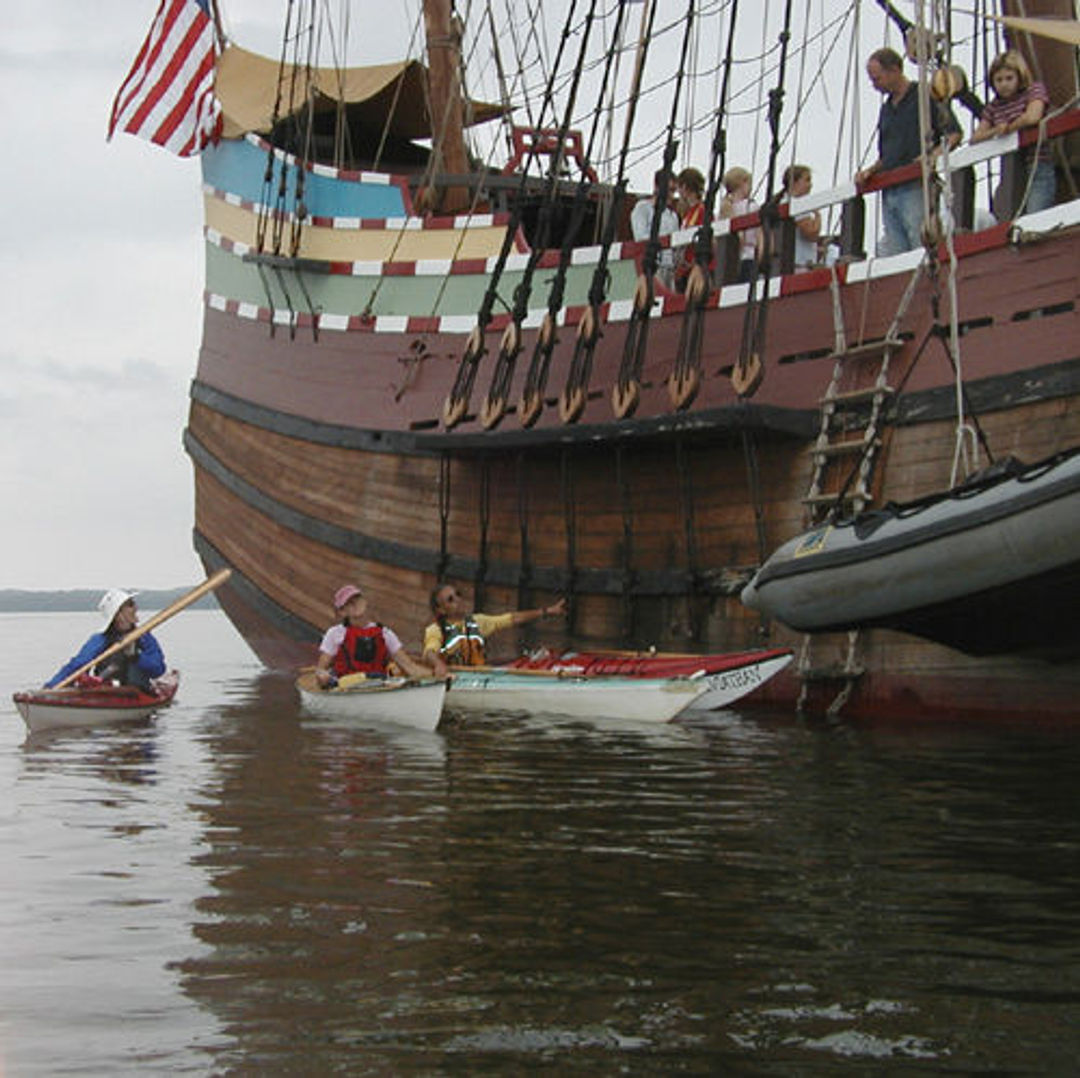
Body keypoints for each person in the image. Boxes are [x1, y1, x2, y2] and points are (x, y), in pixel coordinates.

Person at [855, 47, 962, 256]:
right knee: (895, 249)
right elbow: (887, 155)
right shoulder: (886, 109)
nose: (874, 85)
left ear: (894, 70)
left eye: (877, 79)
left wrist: (933, 156)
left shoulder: (925, 95)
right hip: (890, 188)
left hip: (915, 185)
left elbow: (954, 134)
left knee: (920, 242)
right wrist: (869, 171)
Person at [971, 49, 1055, 218]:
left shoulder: (1034, 91)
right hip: (1010, 172)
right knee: (1010, 219)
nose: (1004, 84)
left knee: (1036, 216)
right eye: (999, 80)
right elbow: (975, 138)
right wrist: (996, 130)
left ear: (1019, 77)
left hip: (1037, 165)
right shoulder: (994, 106)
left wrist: (1008, 128)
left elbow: (1033, 116)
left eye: (1009, 78)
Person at [315, 584, 440, 688]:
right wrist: (323, 677)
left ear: (365, 601)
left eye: (357, 599)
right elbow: (321, 669)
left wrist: (437, 675)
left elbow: (409, 666)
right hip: (346, 686)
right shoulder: (335, 634)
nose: (355, 603)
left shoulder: (385, 633)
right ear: (342, 612)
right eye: (349, 603)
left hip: (378, 684)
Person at [46, 589, 166, 691]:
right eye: (130, 604)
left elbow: (159, 669)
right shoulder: (100, 639)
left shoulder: (144, 637)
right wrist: (50, 687)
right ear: (118, 614)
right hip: (107, 691)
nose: (136, 607)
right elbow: (77, 665)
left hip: (137, 693)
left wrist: (136, 657)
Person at [422, 584, 567, 668]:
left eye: (457, 595)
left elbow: (512, 619)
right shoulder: (435, 631)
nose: (458, 600)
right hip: (455, 678)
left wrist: (546, 611)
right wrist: (438, 665)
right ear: (440, 610)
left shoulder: (478, 622)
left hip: (478, 676)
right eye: (450, 599)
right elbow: (429, 653)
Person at [630, 169, 679, 289]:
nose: (671, 195)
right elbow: (640, 237)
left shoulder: (673, 216)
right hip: (651, 266)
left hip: (670, 269)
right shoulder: (643, 208)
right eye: (668, 190)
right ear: (656, 187)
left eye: (673, 191)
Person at [673, 166, 712, 293]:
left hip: (694, 268)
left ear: (684, 187)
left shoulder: (702, 211)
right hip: (684, 269)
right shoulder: (689, 212)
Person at [720, 166, 761, 283]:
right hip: (749, 257)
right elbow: (759, 237)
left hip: (728, 263)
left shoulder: (724, 209)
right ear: (743, 183)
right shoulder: (752, 207)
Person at [780, 164, 821, 270]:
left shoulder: (783, 202)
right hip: (799, 265)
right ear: (794, 182)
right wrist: (817, 215)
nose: (810, 185)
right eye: (807, 180)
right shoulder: (796, 205)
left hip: (790, 263)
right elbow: (812, 233)